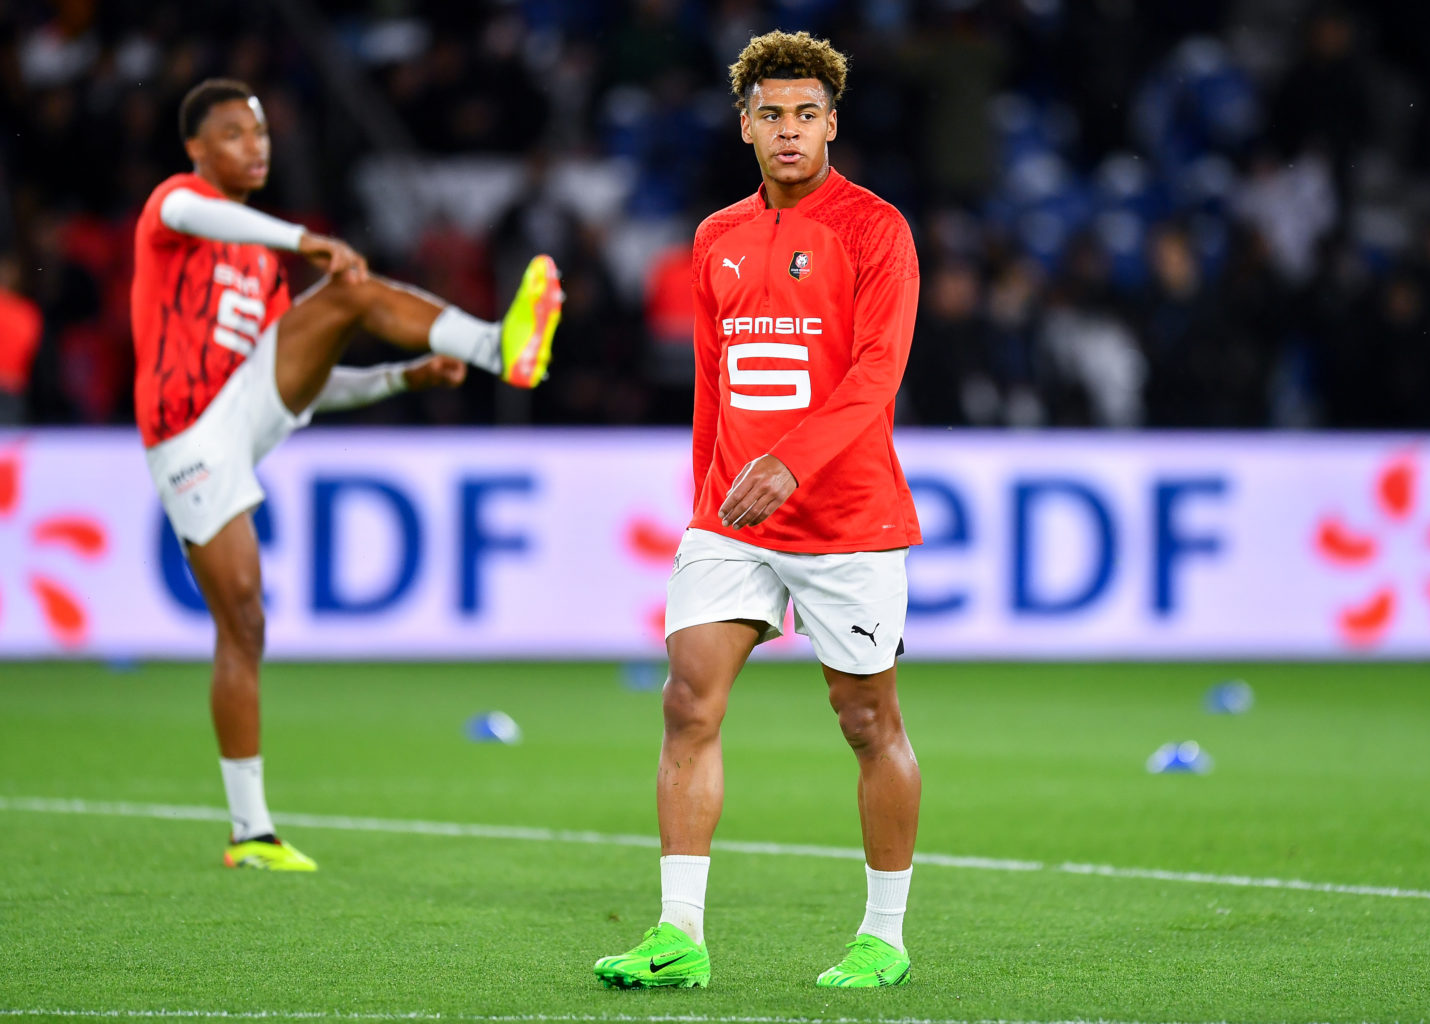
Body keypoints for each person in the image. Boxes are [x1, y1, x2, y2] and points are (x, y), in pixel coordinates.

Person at [131, 79, 562, 871]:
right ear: (196, 148)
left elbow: (301, 384)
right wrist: (302, 238)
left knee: (349, 296)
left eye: (259, 133)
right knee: (245, 626)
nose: (253, 147)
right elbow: (198, 214)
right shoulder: (177, 205)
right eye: (232, 134)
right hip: (189, 436)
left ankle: (495, 345)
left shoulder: (260, 265)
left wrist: (400, 378)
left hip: (242, 413)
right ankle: (250, 832)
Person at [593, 31, 922, 990]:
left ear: (833, 124)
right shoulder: (715, 238)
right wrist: (710, 499)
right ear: (745, 126)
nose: (789, 131)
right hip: (735, 515)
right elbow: (712, 388)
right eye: (772, 115)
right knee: (688, 701)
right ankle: (679, 935)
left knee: (867, 722)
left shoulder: (875, 229)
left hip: (848, 519)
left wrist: (790, 461)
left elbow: (876, 377)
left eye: (806, 115)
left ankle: (885, 937)